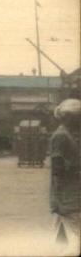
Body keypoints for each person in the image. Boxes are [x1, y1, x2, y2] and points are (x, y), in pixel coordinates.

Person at [49, 98, 80, 247]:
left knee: (62, 232)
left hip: (68, 193)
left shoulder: (67, 134)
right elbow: (57, 168)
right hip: (67, 194)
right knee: (73, 228)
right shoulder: (61, 136)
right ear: (68, 117)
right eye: (78, 117)